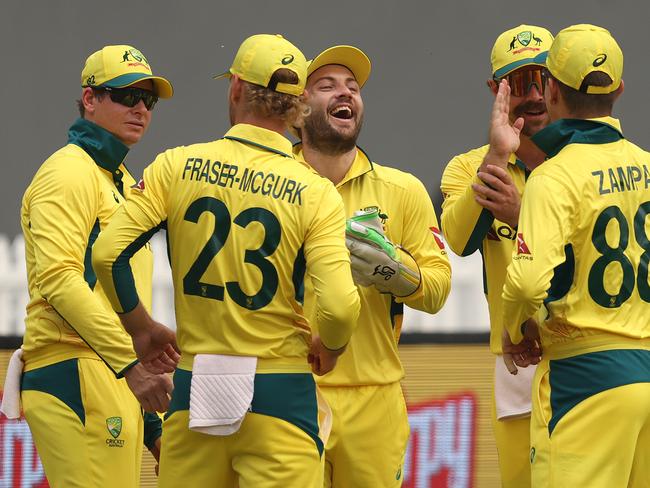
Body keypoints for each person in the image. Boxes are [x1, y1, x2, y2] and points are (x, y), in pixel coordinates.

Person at [91, 34, 361, 488]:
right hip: (281, 393)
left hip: (196, 384)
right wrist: (330, 346)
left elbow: (107, 254)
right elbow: (340, 306)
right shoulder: (315, 191)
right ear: (298, 106)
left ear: (236, 87)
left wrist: (142, 328)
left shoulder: (176, 165)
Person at [294, 45, 452, 487]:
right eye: (326, 86)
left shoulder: (401, 189)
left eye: (353, 87)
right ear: (298, 107)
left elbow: (438, 290)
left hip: (375, 396)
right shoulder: (274, 183)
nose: (345, 94)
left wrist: (391, 269)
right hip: (289, 388)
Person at [16, 45, 174, 487]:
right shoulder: (66, 172)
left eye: (149, 100)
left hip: (111, 370)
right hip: (76, 365)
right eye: (127, 96)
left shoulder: (119, 179)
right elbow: (60, 281)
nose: (141, 108)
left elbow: (113, 299)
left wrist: (153, 425)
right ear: (90, 99)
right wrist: (134, 367)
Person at [502, 24, 650, 487]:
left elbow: (527, 282)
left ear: (549, 90)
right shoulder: (647, 165)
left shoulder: (554, 175)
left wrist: (514, 327)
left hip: (584, 377)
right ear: (620, 89)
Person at [440, 24, 553, 488]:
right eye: (517, 82)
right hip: (518, 360)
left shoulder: (585, 163)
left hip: (588, 346)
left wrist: (522, 213)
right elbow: (460, 240)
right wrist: (497, 154)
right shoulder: (472, 166)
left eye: (541, 78)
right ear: (495, 90)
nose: (533, 95)